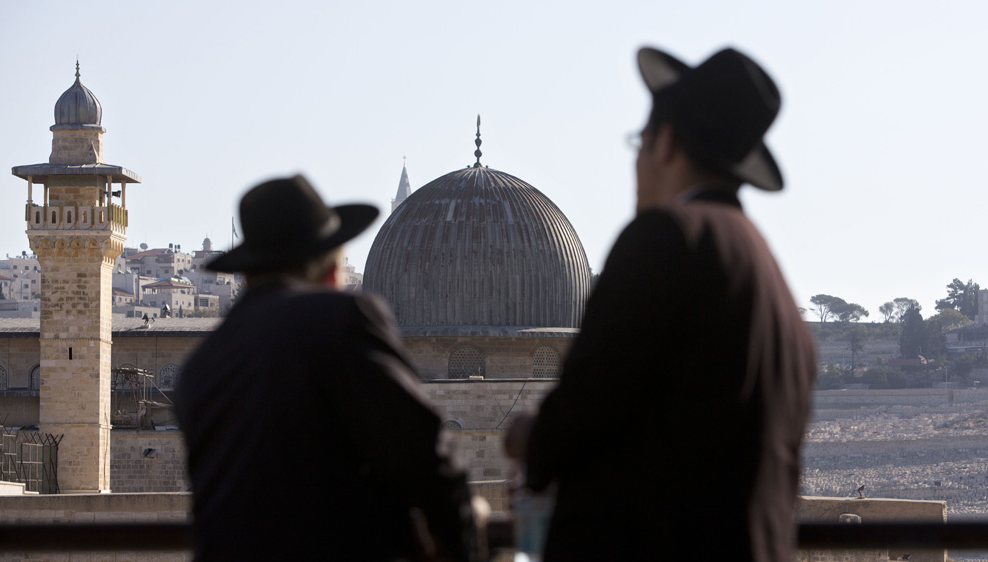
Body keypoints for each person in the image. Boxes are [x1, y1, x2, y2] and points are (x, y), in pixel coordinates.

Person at [509, 47, 816, 561]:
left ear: (664, 141)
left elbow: (586, 406)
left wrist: (528, 437)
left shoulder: (668, 240)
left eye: (639, 142)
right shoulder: (770, 276)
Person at [176, 175, 473, 562]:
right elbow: (427, 461)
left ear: (248, 275)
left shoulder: (201, 364)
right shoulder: (340, 319)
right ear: (331, 270)